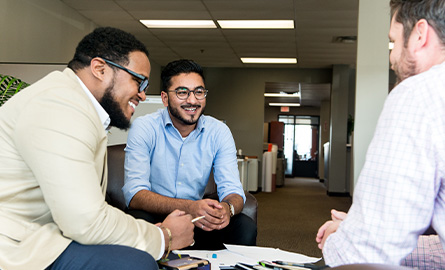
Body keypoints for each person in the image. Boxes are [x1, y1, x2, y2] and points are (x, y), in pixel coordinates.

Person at [0, 27, 195, 270]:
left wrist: (149, 234)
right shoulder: (59, 107)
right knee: (135, 264)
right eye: (139, 80)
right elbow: (85, 220)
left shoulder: (73, 103)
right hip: (17, 248)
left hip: (46, 236)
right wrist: (163, 236)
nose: (143, 95)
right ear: (100, 69)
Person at [315, 0, 445, 268]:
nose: (392, 56)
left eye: (394, 42)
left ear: (420, 34)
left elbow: (367, 252)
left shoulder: (419, 95)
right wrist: (352, 229)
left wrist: (339, 242)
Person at [123, 59, 257, 250]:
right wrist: (189, 207)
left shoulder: (219, 131)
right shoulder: (145, 127)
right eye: (182, 92)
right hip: (155, 216)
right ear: (164, 98)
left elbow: (233, 189)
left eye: (199, 92)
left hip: (199, 219)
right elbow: (135, 194)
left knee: (244, 227)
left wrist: (227, 208)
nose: (192, 100)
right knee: (137, 221)